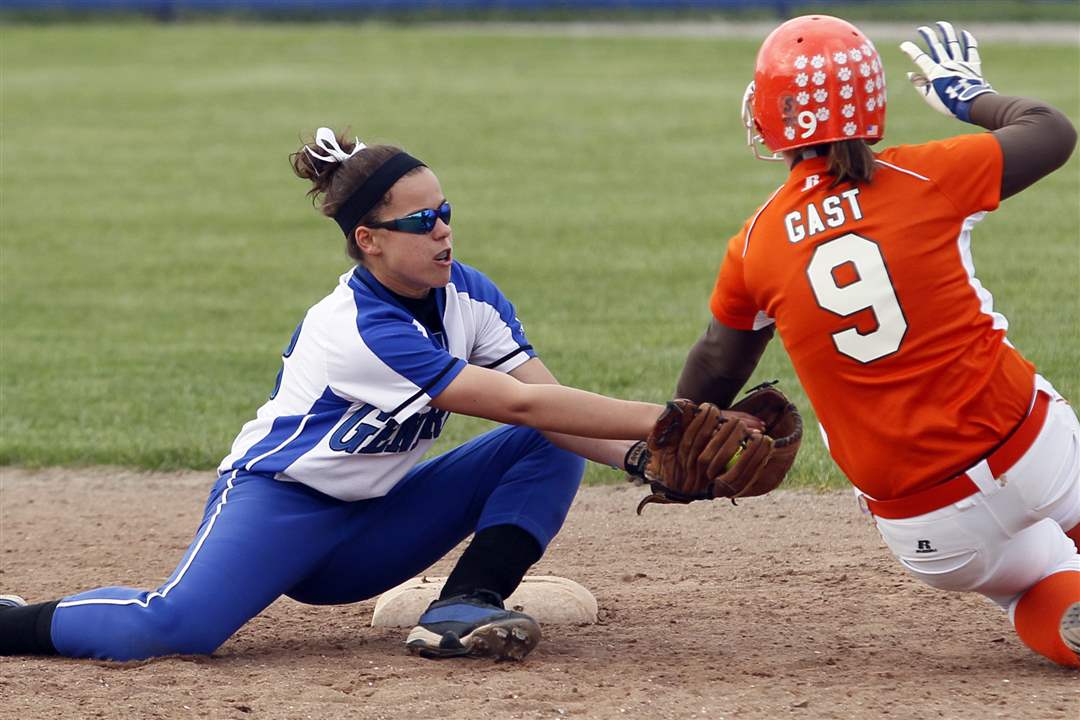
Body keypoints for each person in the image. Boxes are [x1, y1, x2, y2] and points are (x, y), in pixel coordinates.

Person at [0, 127, 710, 662]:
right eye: (417, 222)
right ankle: (10, 622)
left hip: (375, 522)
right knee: (176, 629)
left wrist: (642, 458)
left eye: (444, 212)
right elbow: (516, 403)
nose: (442, 230)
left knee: (545, 444)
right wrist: (669, 422)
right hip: (281, 503)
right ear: (367, 239)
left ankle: (464, 606)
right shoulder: (360, 328)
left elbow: (546, 402)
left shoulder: (468, 293)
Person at [675, 16, 1080, 667]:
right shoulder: (927, 175)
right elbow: (1053, 133)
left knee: (1034, 578)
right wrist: (967, 93)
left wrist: (672, 440)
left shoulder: (757, 242)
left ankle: (1055, 607)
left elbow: (717, 364)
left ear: (771, 117)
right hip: (1027, 450)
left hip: (925, 529)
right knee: (1044, 455)